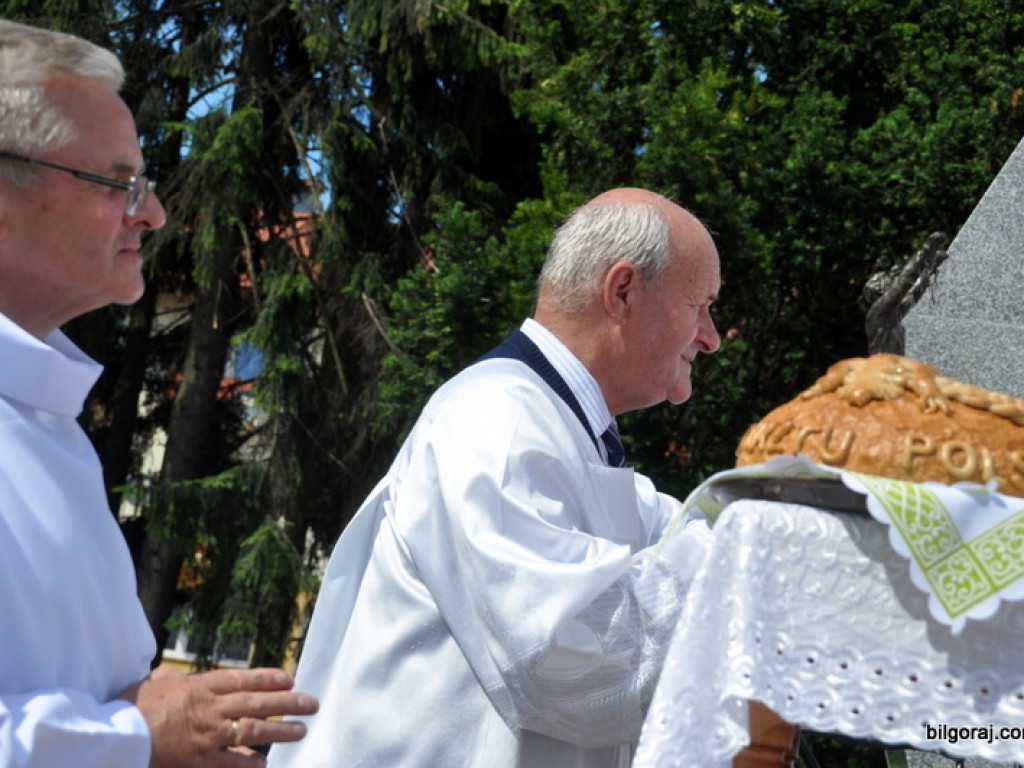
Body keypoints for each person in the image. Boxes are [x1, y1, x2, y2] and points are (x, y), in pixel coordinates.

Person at [269, 187, 721, 767]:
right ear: (623, 291)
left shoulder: (563, 434)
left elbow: (684, 525)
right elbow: (574, 664)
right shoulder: (497, 421)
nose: (709, 335)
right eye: (700, 304)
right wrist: (741, 551)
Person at [0, 18, 317, 767]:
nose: (154, 213)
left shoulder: (50, 424)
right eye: (119, 182)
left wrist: (153, 718)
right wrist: (138, 737)